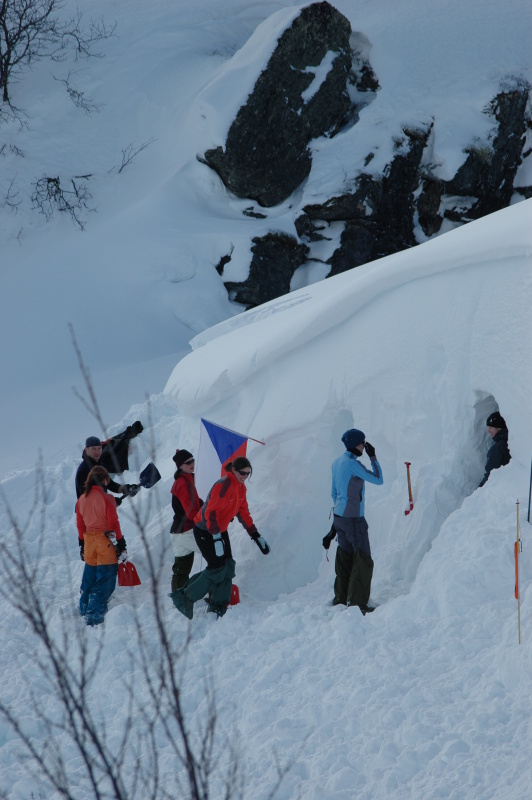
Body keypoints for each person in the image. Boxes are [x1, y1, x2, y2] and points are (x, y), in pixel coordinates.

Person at [170, 457, 270, 619]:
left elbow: (243, 513)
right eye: (242, 473)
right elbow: (211, 512)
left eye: (248, 474)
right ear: (234, 470)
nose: (245, 476)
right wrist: (215, 536)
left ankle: (218, 604)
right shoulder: (223, 485)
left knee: (228, 566)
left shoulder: (241, 489)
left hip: (219, 531)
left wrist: (256, 535)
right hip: (205, 530)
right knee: (216, 568)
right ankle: (184, 597)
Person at [331, 428, 383, 615]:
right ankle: (357, 603)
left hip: (339, 518)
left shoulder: (336, 463)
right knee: (363, 559)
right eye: (363, 443)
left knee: (345, 557)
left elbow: (334, 494)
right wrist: (373, 457)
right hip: (354, 519)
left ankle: (341, 597)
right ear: (357, 445)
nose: (364, 446)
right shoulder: (353, 465)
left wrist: (335, 522)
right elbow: (378, 479)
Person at [76, 465, 127, 626]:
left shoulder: (81, 499)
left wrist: (82, 545)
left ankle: (84, 608)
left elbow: (79, 525)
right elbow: (113, 523)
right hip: (105, 542)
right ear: (105, 480)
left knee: (89, 578)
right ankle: (94, 616)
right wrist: (121, 543)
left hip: (89, 542)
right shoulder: (107, 499)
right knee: (104, 580)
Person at [169, 449, 203, 592]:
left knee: (181, 570)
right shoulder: (183, 483)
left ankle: (179, 600)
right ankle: (212, 592)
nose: (192, 464)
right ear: (180, 466)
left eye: (193, 460)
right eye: (188, 462)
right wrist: (210, 517)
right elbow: (191, 512)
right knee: (217, 558)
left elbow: (196, 503)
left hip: (178, 532)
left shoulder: (187, 479)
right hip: (186, 531)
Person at [75, 436, 138, 501]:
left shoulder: (100, 464)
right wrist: (108, 501)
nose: (97, 452)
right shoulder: (84, 470)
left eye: (99, 448)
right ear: (86, 449)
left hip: (100, 508)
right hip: (89, 509)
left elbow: (110, 484)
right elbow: (87, 498)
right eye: (94, 449)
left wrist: (124, 489)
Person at [479, 411, 511, 487]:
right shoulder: (509, 442)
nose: (488, 431)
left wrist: (480, 490)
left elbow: (490, 474)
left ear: (499, 428)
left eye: (491, 428)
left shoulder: (498, 448)